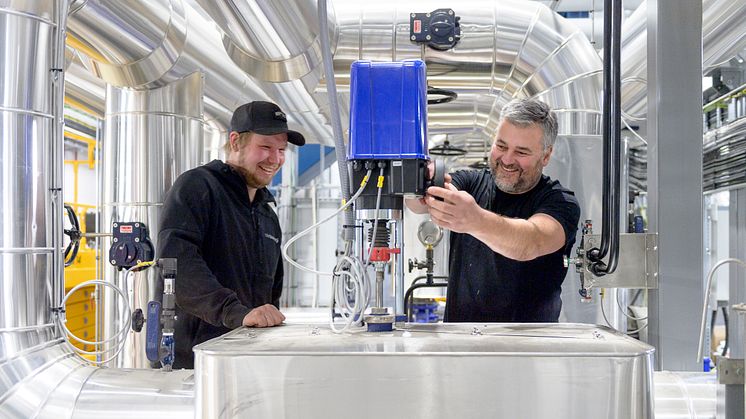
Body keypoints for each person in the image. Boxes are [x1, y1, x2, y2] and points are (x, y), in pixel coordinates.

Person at [158, 100, 305, 368]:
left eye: (281, 150)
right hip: (193, 362)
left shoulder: (267, 216)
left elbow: (269, 296)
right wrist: (235, 312)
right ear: (236, 142)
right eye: (266, 147)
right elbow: (178, 265)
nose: (275, 159)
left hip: (246, 360)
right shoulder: (199, 187)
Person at [407, 98, 580, 323]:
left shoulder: (560, 202)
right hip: (464, 345)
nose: (507, 159)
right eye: (501, 146)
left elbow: (531, 242)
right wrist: (419, 186)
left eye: (522, 152)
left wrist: (475, 220)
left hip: (531, 349)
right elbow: (416, 205)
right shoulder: (470, 182)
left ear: (545, 156)